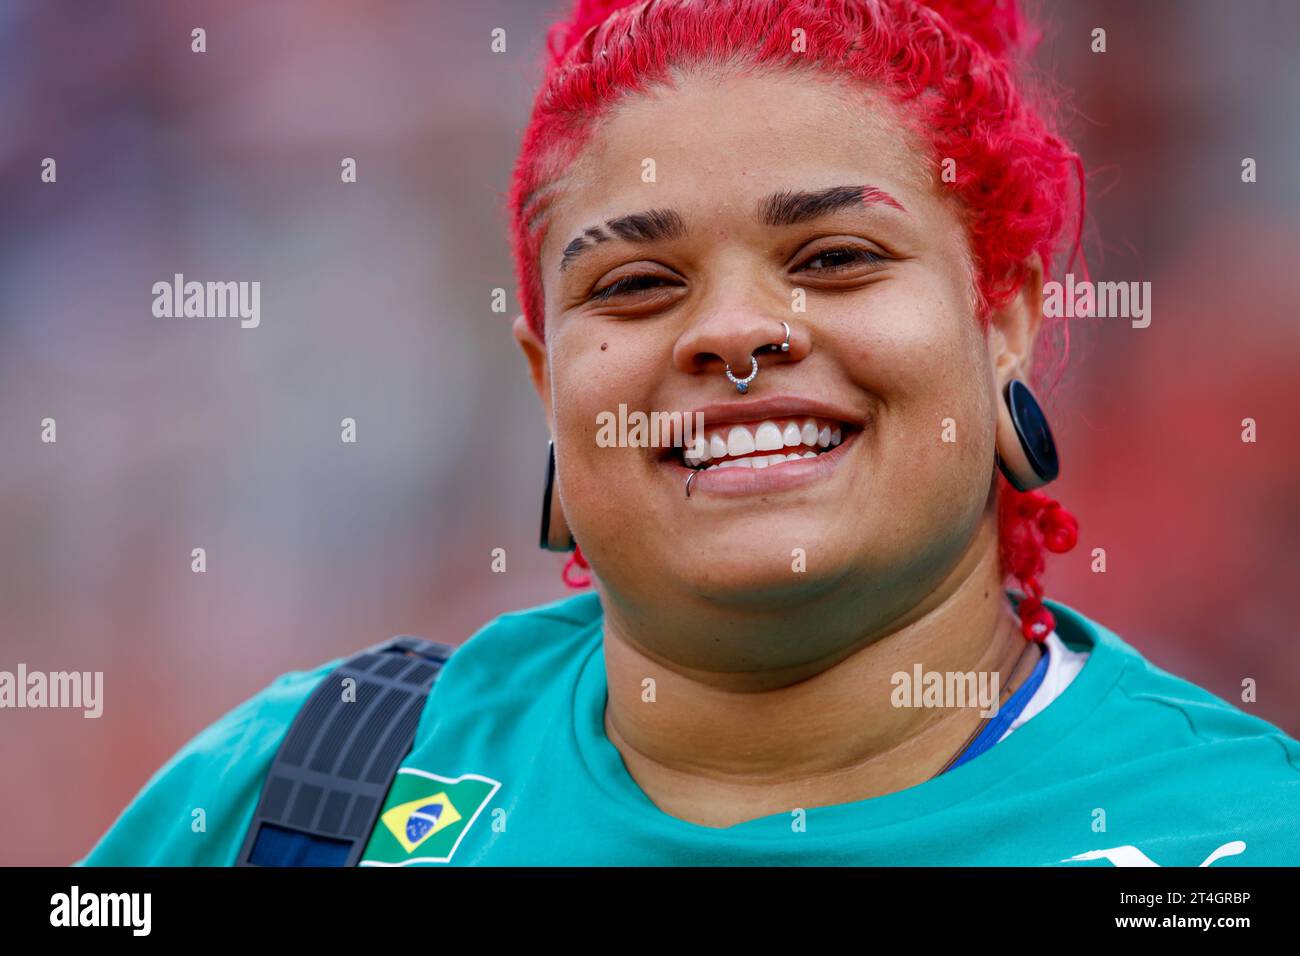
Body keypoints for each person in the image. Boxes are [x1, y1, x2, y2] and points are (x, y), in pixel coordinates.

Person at [81, 0, 1299, 867]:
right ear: (542, 368)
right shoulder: (296, 791)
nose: (732, 331)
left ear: (1004, 319)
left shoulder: (1234, 830)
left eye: (833, 257)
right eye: (633, 284)